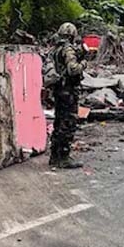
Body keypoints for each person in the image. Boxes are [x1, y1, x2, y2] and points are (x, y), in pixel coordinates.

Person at [49, 22, 86, 169]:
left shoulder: (55, 49)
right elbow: (73, 70)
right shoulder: (68, 49)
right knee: (68, 123)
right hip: (68, 90)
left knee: (58, 122)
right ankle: (64, 157)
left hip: (58, 89)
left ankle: (54, 156)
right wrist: (83, 63)